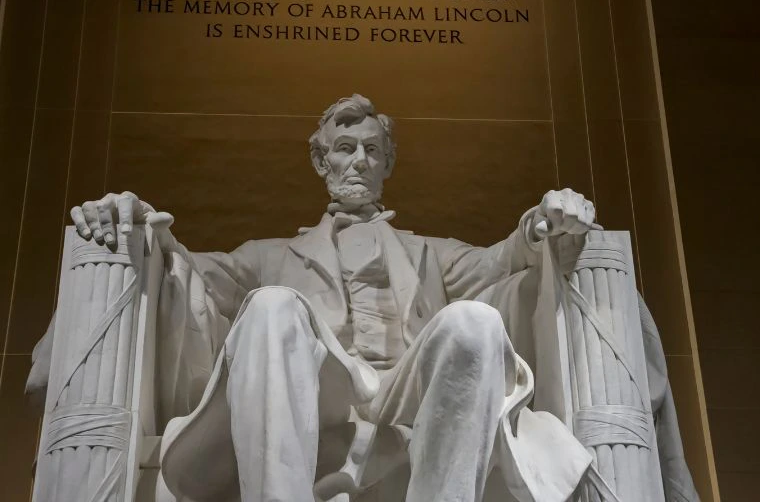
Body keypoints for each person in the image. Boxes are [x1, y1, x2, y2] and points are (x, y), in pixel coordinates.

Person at [68, 94, 598, 502]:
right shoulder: (269, 256)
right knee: (273, 305)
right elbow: (188, 274)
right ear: (321, 162)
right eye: (345, 149)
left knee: (476, 322)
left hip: (406, 392)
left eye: (373, 150)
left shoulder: (430, 254)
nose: (360, 161)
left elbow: (504, 260)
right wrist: (139, 224)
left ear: (388, 164)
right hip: (322, 394)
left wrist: (544, 222)